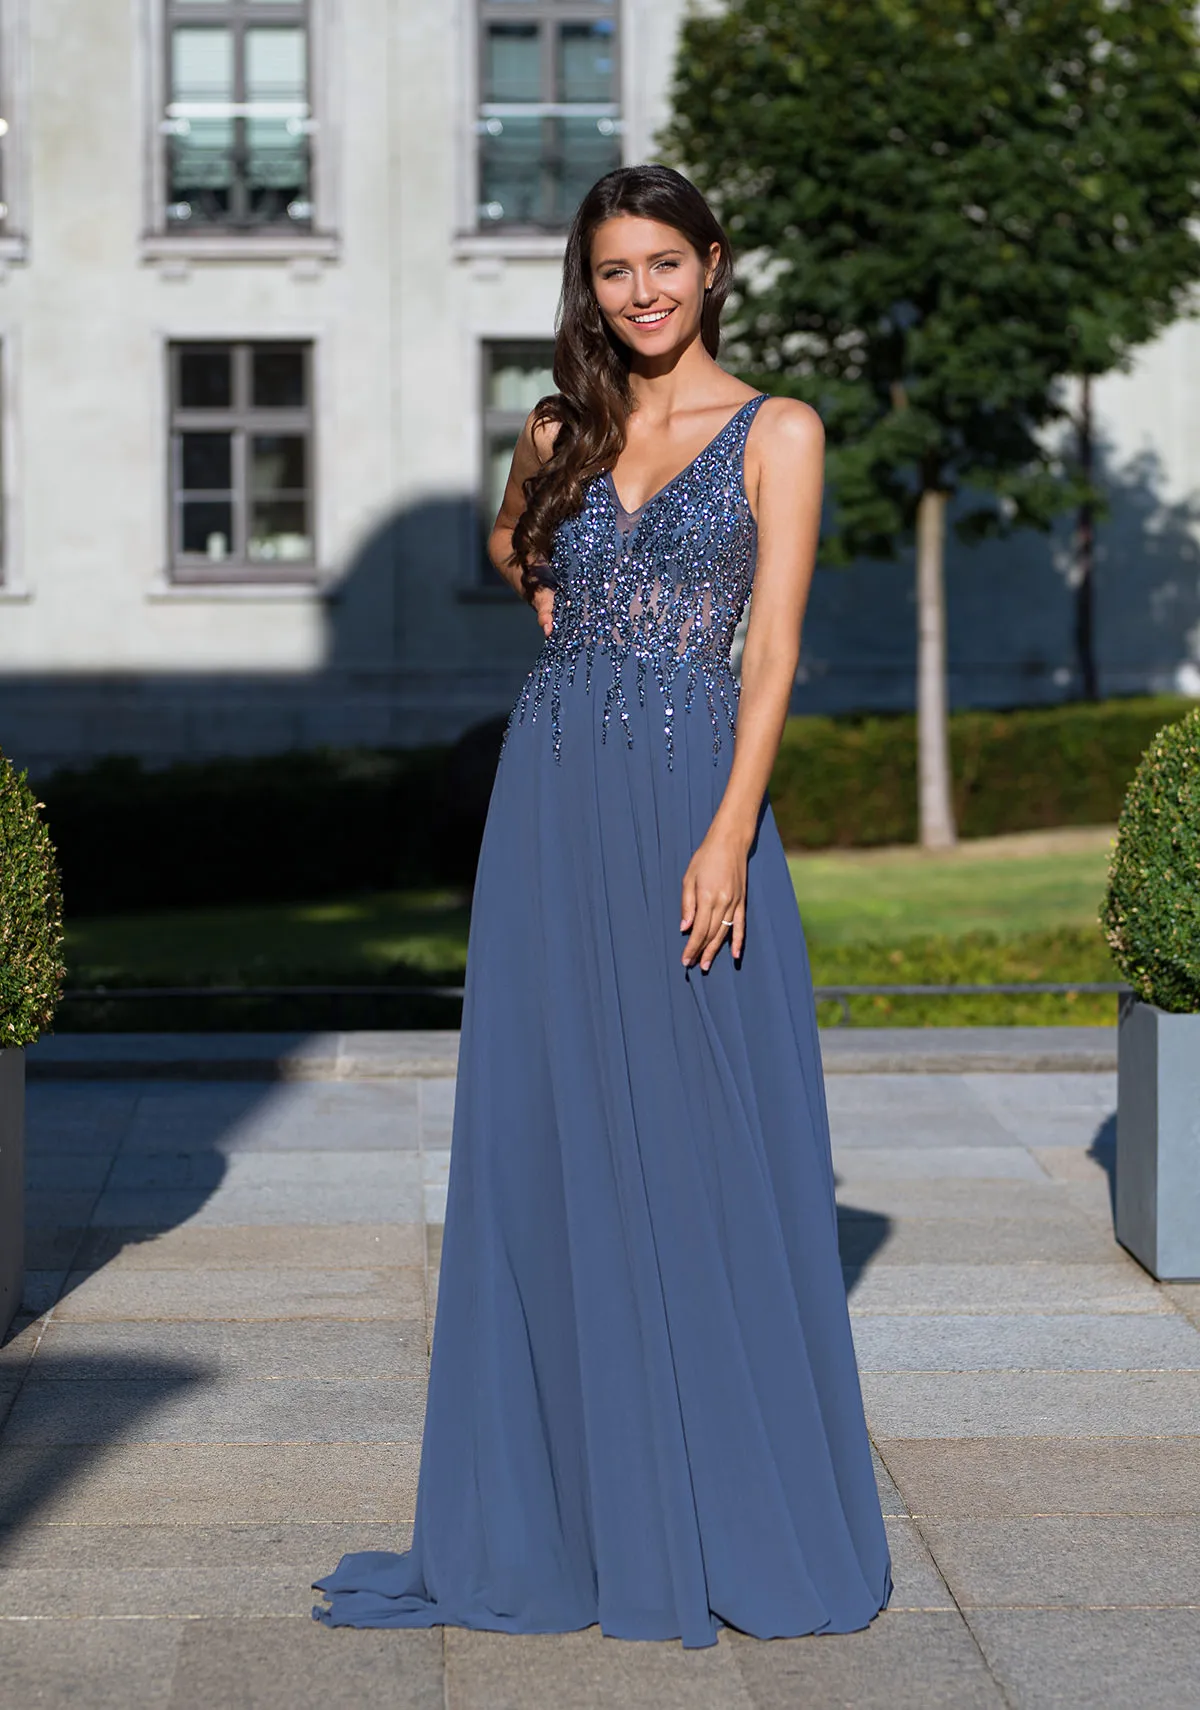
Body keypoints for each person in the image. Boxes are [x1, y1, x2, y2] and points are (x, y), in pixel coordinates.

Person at [314, 163, 891, 1649]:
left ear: (713, 264)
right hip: (554, 800)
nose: (640, 291)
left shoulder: (781, 430)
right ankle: (570, 1506)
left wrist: (726, 831)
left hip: (696, 791)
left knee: (703, 1128)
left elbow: (773, 658)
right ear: (594, 280)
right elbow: (516, 543)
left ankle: (721, 1504)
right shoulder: (559, 426)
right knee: (553, 1130)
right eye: (613, 269)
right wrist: (565, 612)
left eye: (663, 263)